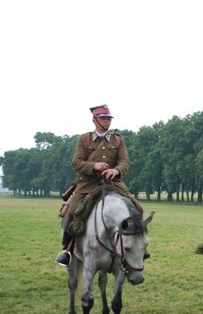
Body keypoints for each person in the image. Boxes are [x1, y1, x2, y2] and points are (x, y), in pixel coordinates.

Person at [55, 104, 142, 266]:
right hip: (88, 183)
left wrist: (116, 170)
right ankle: (67, 250)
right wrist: (93, 166)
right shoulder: (84, 139)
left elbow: (125, 161)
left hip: (113, 183)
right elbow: (76, 163)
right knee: (71, 212)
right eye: (103, 118)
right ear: (94, 120)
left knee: (137, 209)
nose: (107, 122)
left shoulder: (118, 139)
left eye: (109, 118)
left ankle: (136, 246)